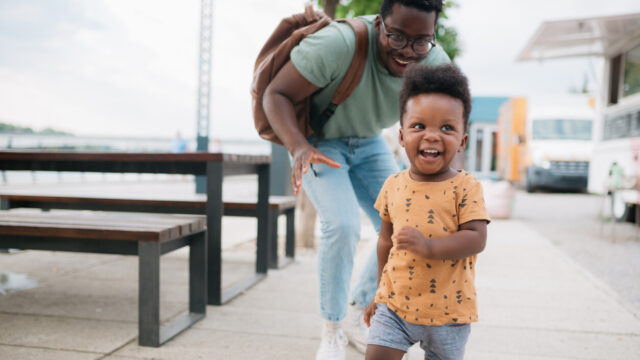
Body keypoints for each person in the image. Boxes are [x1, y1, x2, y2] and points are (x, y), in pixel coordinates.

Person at [263, 1, 450, 359]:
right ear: (380, 23)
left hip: (369, 142)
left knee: (409, 223)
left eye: (420, 41)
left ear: (432, 36)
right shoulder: (338, 44)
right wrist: (298, 147)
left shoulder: (435, 61)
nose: (408, 52)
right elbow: (277, 93)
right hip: (319, 142)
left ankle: (357, 308)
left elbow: (453, 121)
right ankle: (331, 330)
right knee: (343, 225)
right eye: (397, 36)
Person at [363, 64, 490, 360]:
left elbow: (476, 238)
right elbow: (385, 242)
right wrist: (380, 295)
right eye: (419, 126)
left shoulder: (466, 186)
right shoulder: (393, 185)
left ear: (462, 140)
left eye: (447, 128)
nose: (432, 136)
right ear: (402, 136)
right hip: (395, 307)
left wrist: (429, 247)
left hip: (449, 313)